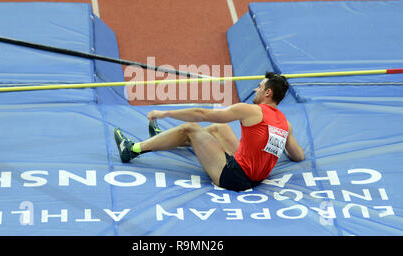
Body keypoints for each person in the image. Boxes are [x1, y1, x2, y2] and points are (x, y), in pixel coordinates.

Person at [113, 72, 304, 192]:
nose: (256, 89)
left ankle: (132, 149)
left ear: (268, 93)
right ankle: (163, 139)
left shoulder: (251, 110)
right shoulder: (284, 124)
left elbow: (201, 114)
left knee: (191, 128)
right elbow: (298, 156)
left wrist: (164, 113)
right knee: (220, 128)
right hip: (256, 177)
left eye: (260, 87)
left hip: (235, 177)